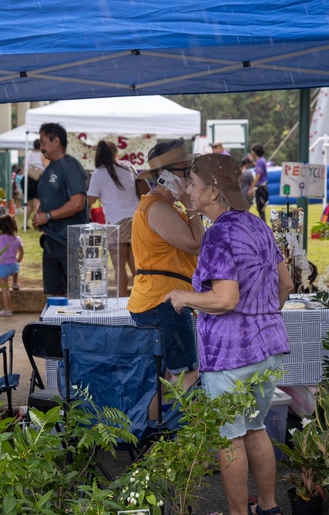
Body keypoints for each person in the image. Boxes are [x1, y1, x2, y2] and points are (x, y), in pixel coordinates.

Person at [165, 153, 293, 515]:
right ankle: (269, 508)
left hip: (230, 353)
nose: (187, 189)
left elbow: (224, 298)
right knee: (255, 427)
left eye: (193, 183)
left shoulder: (218, 233)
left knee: (230, 437)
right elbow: (285, 283)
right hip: (267, 347)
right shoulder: (257, 225)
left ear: (213, 192)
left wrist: (184, 297)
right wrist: (263, 316)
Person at [128, 139, 205, 393]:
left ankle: (153, 429)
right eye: (185, 171)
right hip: (163, 302)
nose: (190, 176)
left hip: (159, 300)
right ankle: (188, 430)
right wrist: (192, 205)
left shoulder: (164, 206)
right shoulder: (157, 207)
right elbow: (196, 243)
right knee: (187, 375)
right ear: (165, 176)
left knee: (161, 377)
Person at [30, 122, 88, 296]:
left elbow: (78, 203)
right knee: (53, 295)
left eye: (43, 142)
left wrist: (48, 215)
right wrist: (39, 216)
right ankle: (56, 324)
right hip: (50, 241)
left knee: (75, 296)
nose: (41, 148)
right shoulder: (48, 169)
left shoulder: (70, 166)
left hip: (70, 243)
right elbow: (50, 199)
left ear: (56, 141)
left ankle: (72, 324)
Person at [87, 140, 142, 296]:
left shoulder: (98, 174)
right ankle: (142, 298)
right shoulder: (128, 167)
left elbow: (91, 199)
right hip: (136, 220)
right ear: (115, 153)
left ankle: (122, 301)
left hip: (116, 222)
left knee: (120, 267)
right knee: (136, 266)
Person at [0, 214, 24, 317]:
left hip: (2, 267)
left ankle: (7, 310)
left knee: (5, 289)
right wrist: (19, 259)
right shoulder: (17, 238)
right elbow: (21, 252)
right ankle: (15, 283)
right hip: (14, 266)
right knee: (15, 268)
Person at [248, 143, 269, 222]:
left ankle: (264, 226)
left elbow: (258, 175)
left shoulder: (260, 162)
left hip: (261, 188)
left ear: (255, 152)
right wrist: (253, 161)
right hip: (262, 187)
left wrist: (251, 188)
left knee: (261, 209)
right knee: (260, 209)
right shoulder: (260, 161)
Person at [25, 138, 45, 217]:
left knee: (29, 203)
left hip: (29, 177)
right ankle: (37, 221)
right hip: (40, 177)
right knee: (37, 201)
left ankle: (25, 223)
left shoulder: (29, 153)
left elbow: (25, 164)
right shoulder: (43, 154)